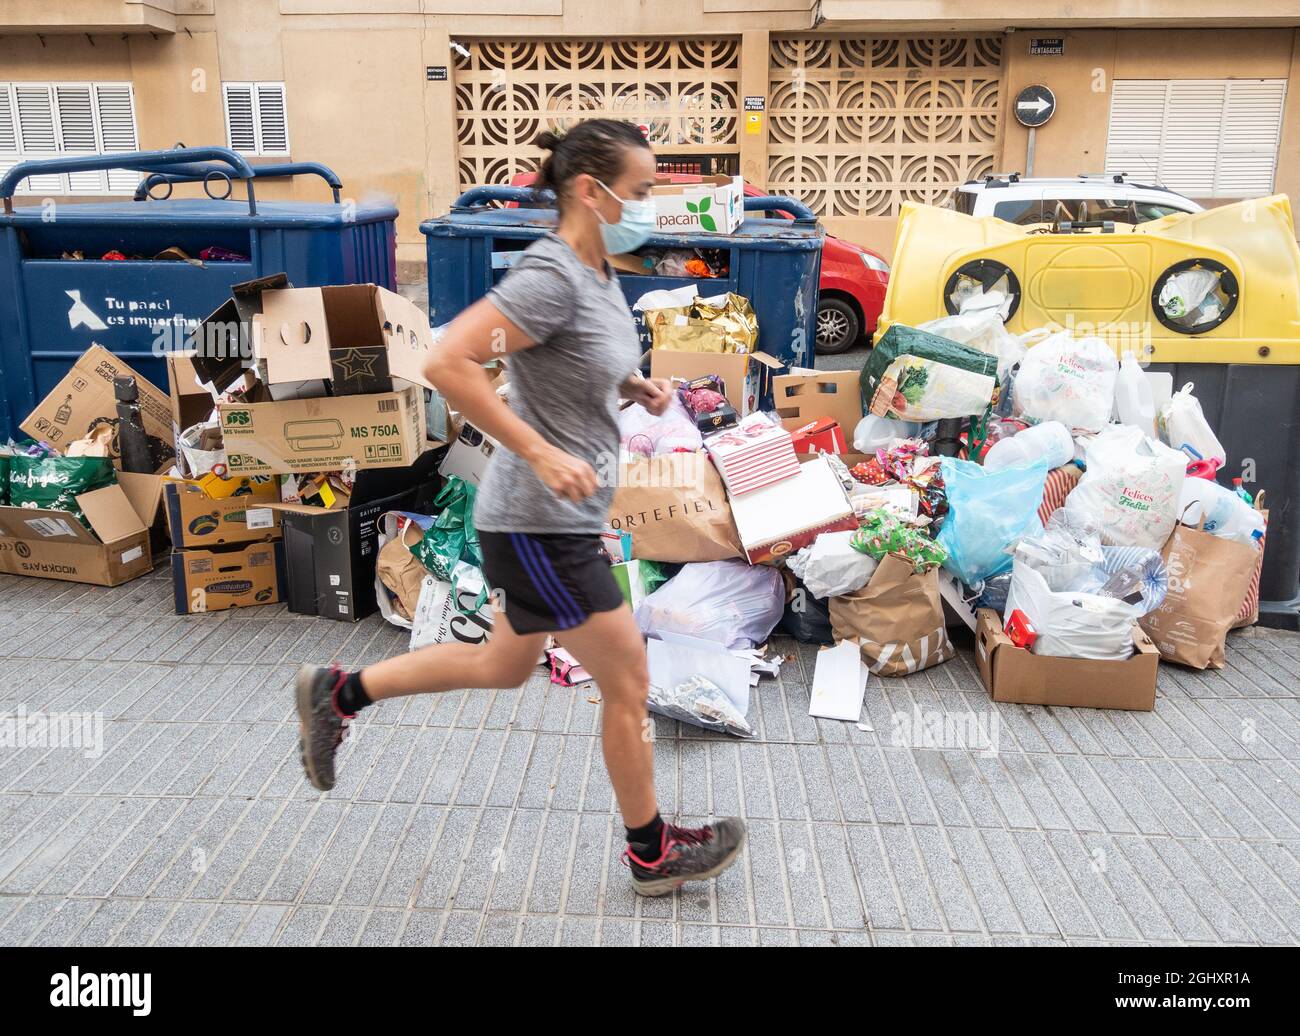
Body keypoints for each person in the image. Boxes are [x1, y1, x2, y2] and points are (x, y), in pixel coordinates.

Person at [293, 119, 745, 897]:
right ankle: (651, 852)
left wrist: (632, 386)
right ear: (590, 192)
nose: (650, 207)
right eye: (639, 193)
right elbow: (446, 360)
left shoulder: (598, 274)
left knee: (501, 665)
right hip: (540, 521)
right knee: (629, 682)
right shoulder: (552, 275)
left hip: (548, 520)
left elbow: (565, 364)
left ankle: (340, 694)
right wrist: (537, 450)